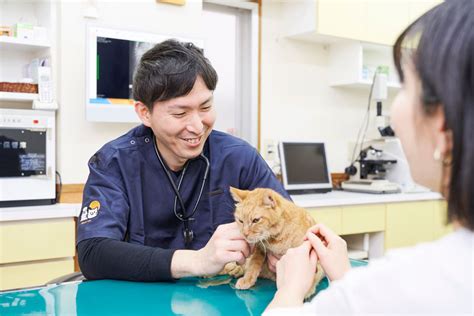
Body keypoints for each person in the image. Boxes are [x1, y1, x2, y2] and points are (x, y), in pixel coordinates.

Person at [264, 0, 474, 314]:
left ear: (441, 122)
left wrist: (290, 289)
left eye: (404, 87)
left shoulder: (408, 283)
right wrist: (346, 279)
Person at [77, 39, 289, 281]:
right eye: (180, 113)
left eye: (206, 107)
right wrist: (197, 261)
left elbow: (289, 220)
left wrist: (282, 253)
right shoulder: (113, 163)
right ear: (145, 113)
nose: (198, 126)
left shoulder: (239, 157)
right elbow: (93, 253)